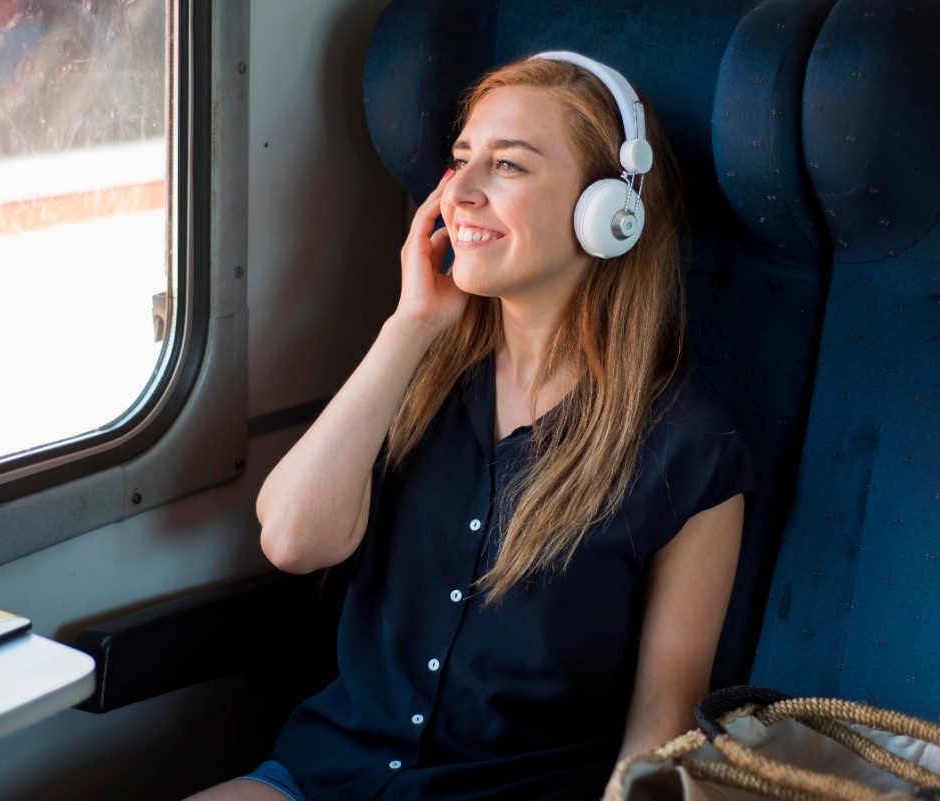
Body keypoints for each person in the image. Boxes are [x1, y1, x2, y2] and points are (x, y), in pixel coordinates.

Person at [187, 51, 752, 801]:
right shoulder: (417, 376)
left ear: (609, 212)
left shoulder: (691, 452)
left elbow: (659, 728)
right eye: (460, 162)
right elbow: (293, 541)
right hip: (325, 777)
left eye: (509, 166)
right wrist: (411, 323)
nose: (463, 192)